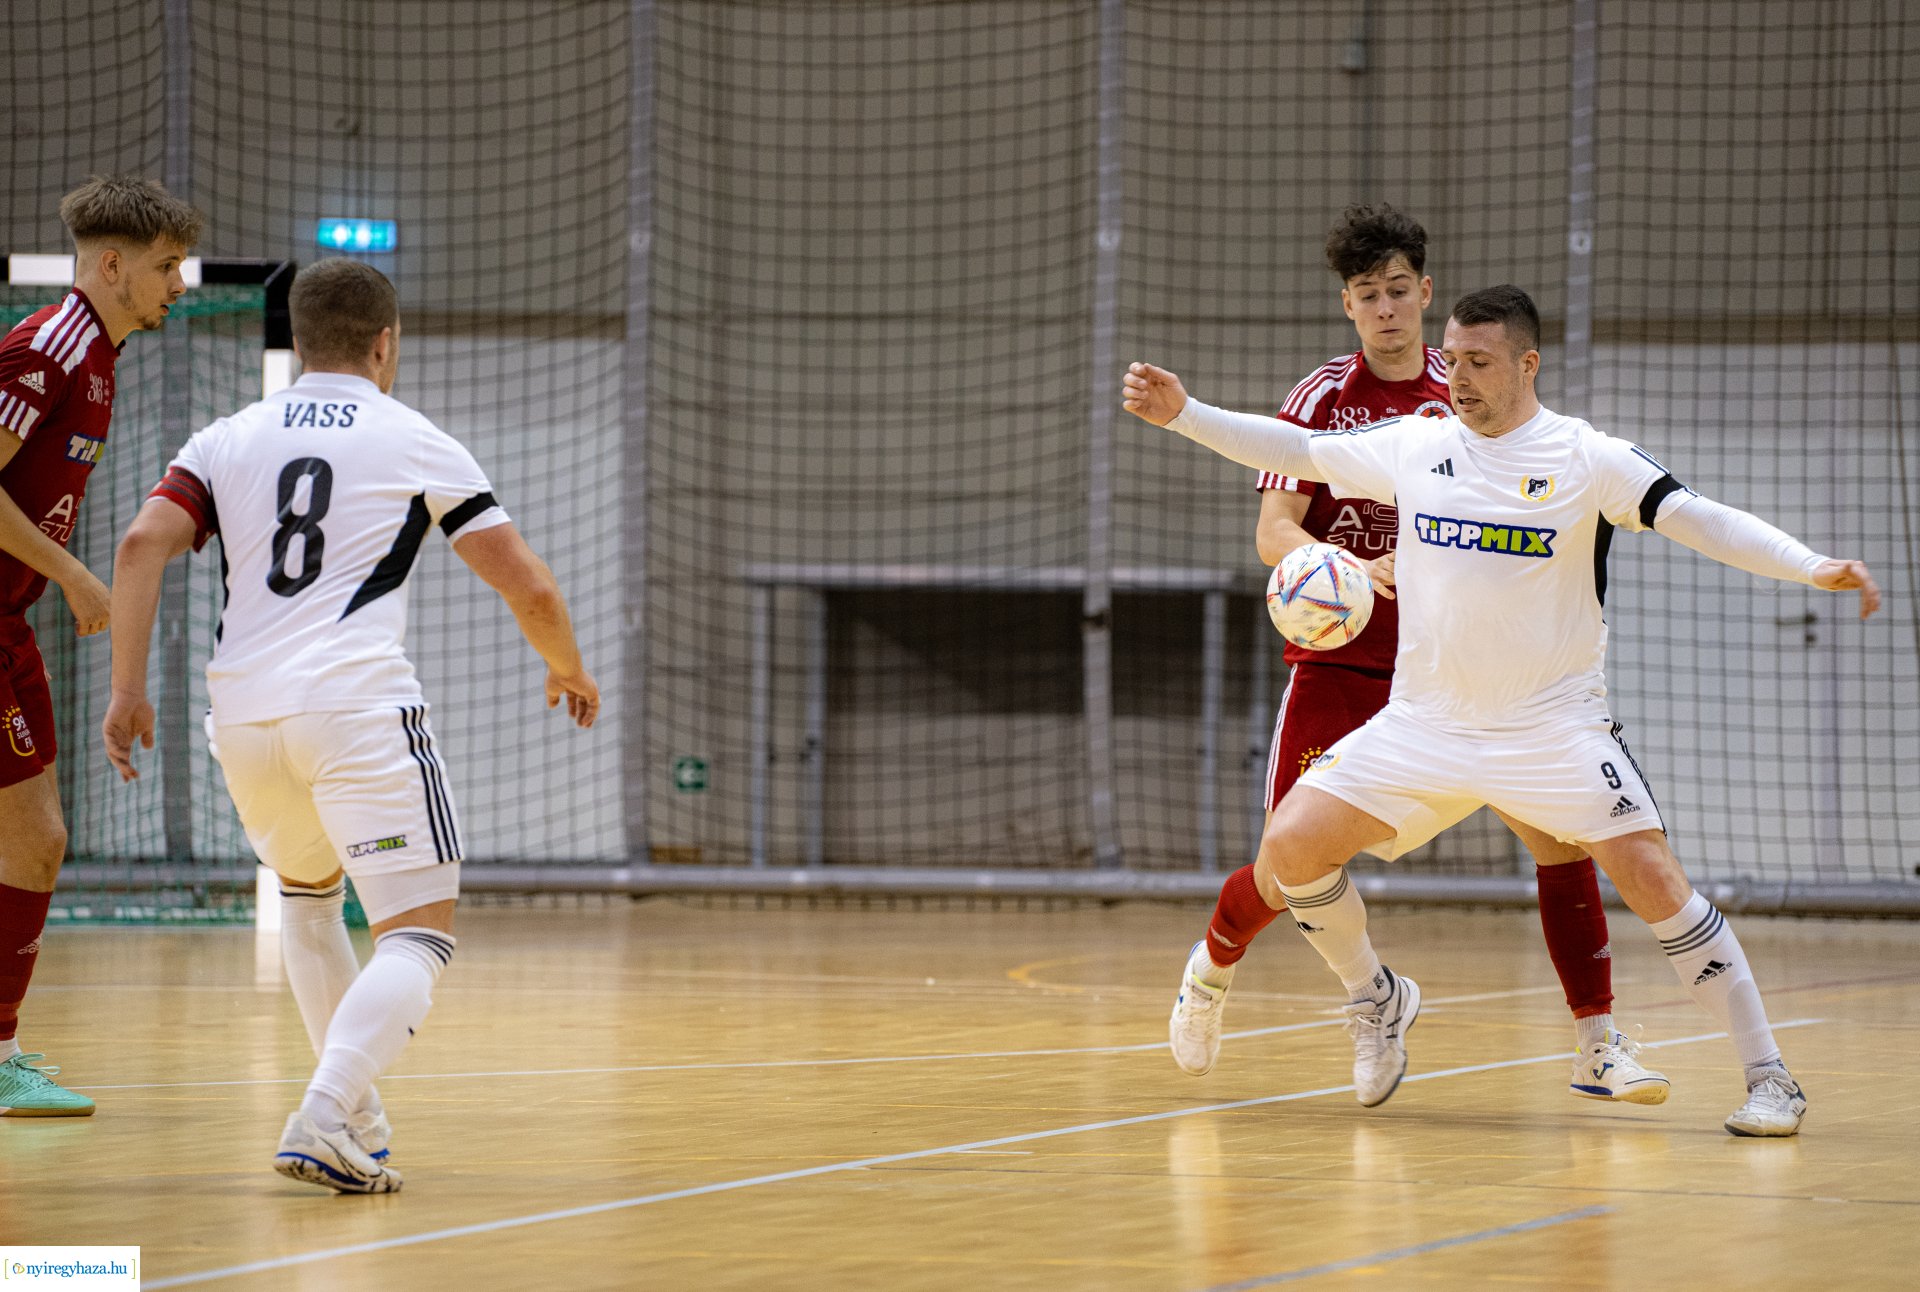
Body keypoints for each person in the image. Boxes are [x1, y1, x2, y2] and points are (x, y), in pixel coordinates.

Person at [1125, 284, 1880, 1136]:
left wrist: (1811, 566)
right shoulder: (1417, 444)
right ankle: (1377, 995)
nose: (1460, 379)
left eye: (1480, 363)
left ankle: (1769, 1077)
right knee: (1290, 849)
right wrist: (1185, 413)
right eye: (1452, 362)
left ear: (1528, 364)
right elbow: (1297, 445)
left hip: (1552, 731)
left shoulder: (1588, 458)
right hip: (1424, 726)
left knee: (1654, 879)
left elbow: (1700, 520)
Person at [101, 258, 600, 1191]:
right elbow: (526, 583)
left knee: (308, 894)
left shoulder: (226, 437)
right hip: (356, 711)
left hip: (242, 720)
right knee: (419, 933)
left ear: (294, 342)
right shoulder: (413, 437)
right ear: (385, 343)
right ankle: (325, 1110)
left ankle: (356, 1127)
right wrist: (566, 667)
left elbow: (139, 546)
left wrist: (127, 689)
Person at [1171, 206, 1667, 1109]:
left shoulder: (1471, 385)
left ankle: (1598, 1042)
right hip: (1341, 660)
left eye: (1400, 290)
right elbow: (1275, 533)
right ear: (1349, 308)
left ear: (1426, 293)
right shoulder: (1322, 397)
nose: (1387, 309)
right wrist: (1349, 569)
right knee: (1287, 862)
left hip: (1463, 671)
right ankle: (1239, 971)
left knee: (1560, 841)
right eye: (1369, 296)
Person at [0, 176, 200, 1118]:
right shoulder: (50, 348)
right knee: (35, 836)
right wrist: (78, 574)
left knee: (37, 840)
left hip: (10, 620)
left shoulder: (105, 358)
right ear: (111, 265)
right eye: (166, 268)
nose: (180, 284)